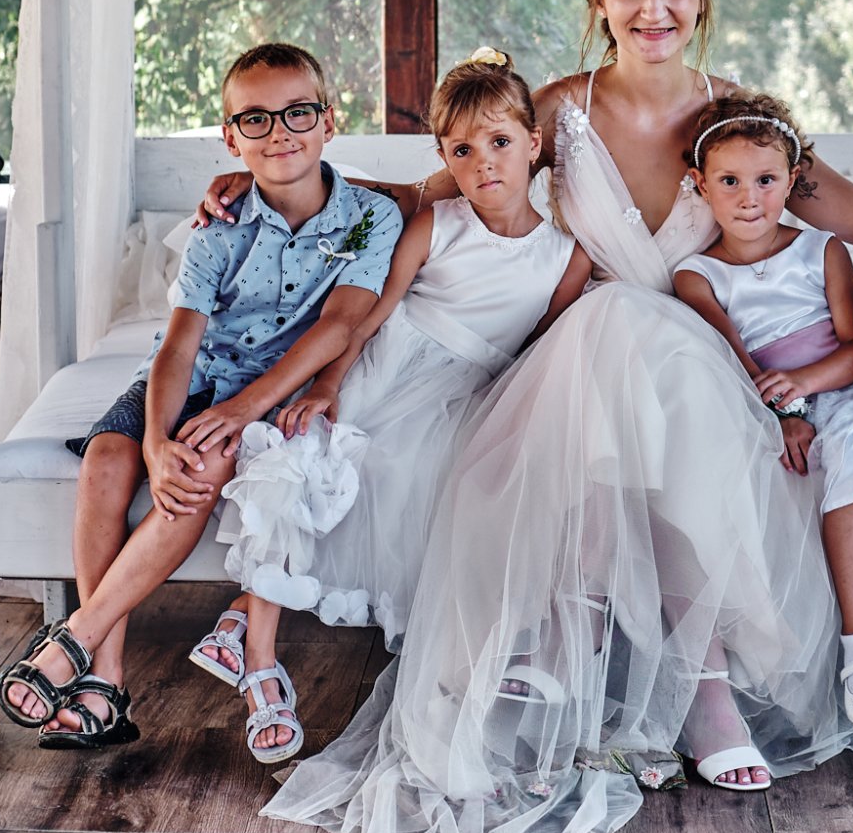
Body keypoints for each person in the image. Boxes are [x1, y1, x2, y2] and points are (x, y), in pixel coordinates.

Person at [193, 0, 853, 833]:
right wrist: (266, 180)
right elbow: (435, 188)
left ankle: (697, 686)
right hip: (585, 351)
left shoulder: (740, 118)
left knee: (672, 385)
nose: (652, 8)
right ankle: (680, 686)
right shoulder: (556, 110)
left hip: (711, 358)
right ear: (598, 0)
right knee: (620, 333)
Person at [0, 42, 401, 749]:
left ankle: (77, 638)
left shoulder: (371, 217)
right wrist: (155, 439)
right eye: (255, 119)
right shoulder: (219, 225)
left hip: (266, 388)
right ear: (231, 137)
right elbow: (179, 346)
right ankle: (106, 674)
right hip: (194, 373)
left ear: (330, 121)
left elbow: (338, 325)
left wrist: (242, 411)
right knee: (107, 461)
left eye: (298, 113)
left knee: (201, 468)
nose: (280, 132)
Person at [195, 49, 593, 765]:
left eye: (500, 143)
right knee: (311, 457)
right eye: (461, 151)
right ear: (442, 158)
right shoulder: (429, 221)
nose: (484, 164)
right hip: (389, 363)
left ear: (534, 144)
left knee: (417, 478)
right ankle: (259, 659)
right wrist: (326, 385)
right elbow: (364, 310)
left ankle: (240, 615)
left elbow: (539, 349)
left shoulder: (568, 256)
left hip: (468, 389)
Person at [670, 91, 853, 735]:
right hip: (770, 406)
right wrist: (785, 412)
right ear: (699, 184)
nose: (749, 198)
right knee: (849, 463)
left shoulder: (822, 250)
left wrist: (806, 382)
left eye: (766, 180)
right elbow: (732, 364)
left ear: (792, 182)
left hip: (846, 386)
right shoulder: (696, 276)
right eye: (729, 181)